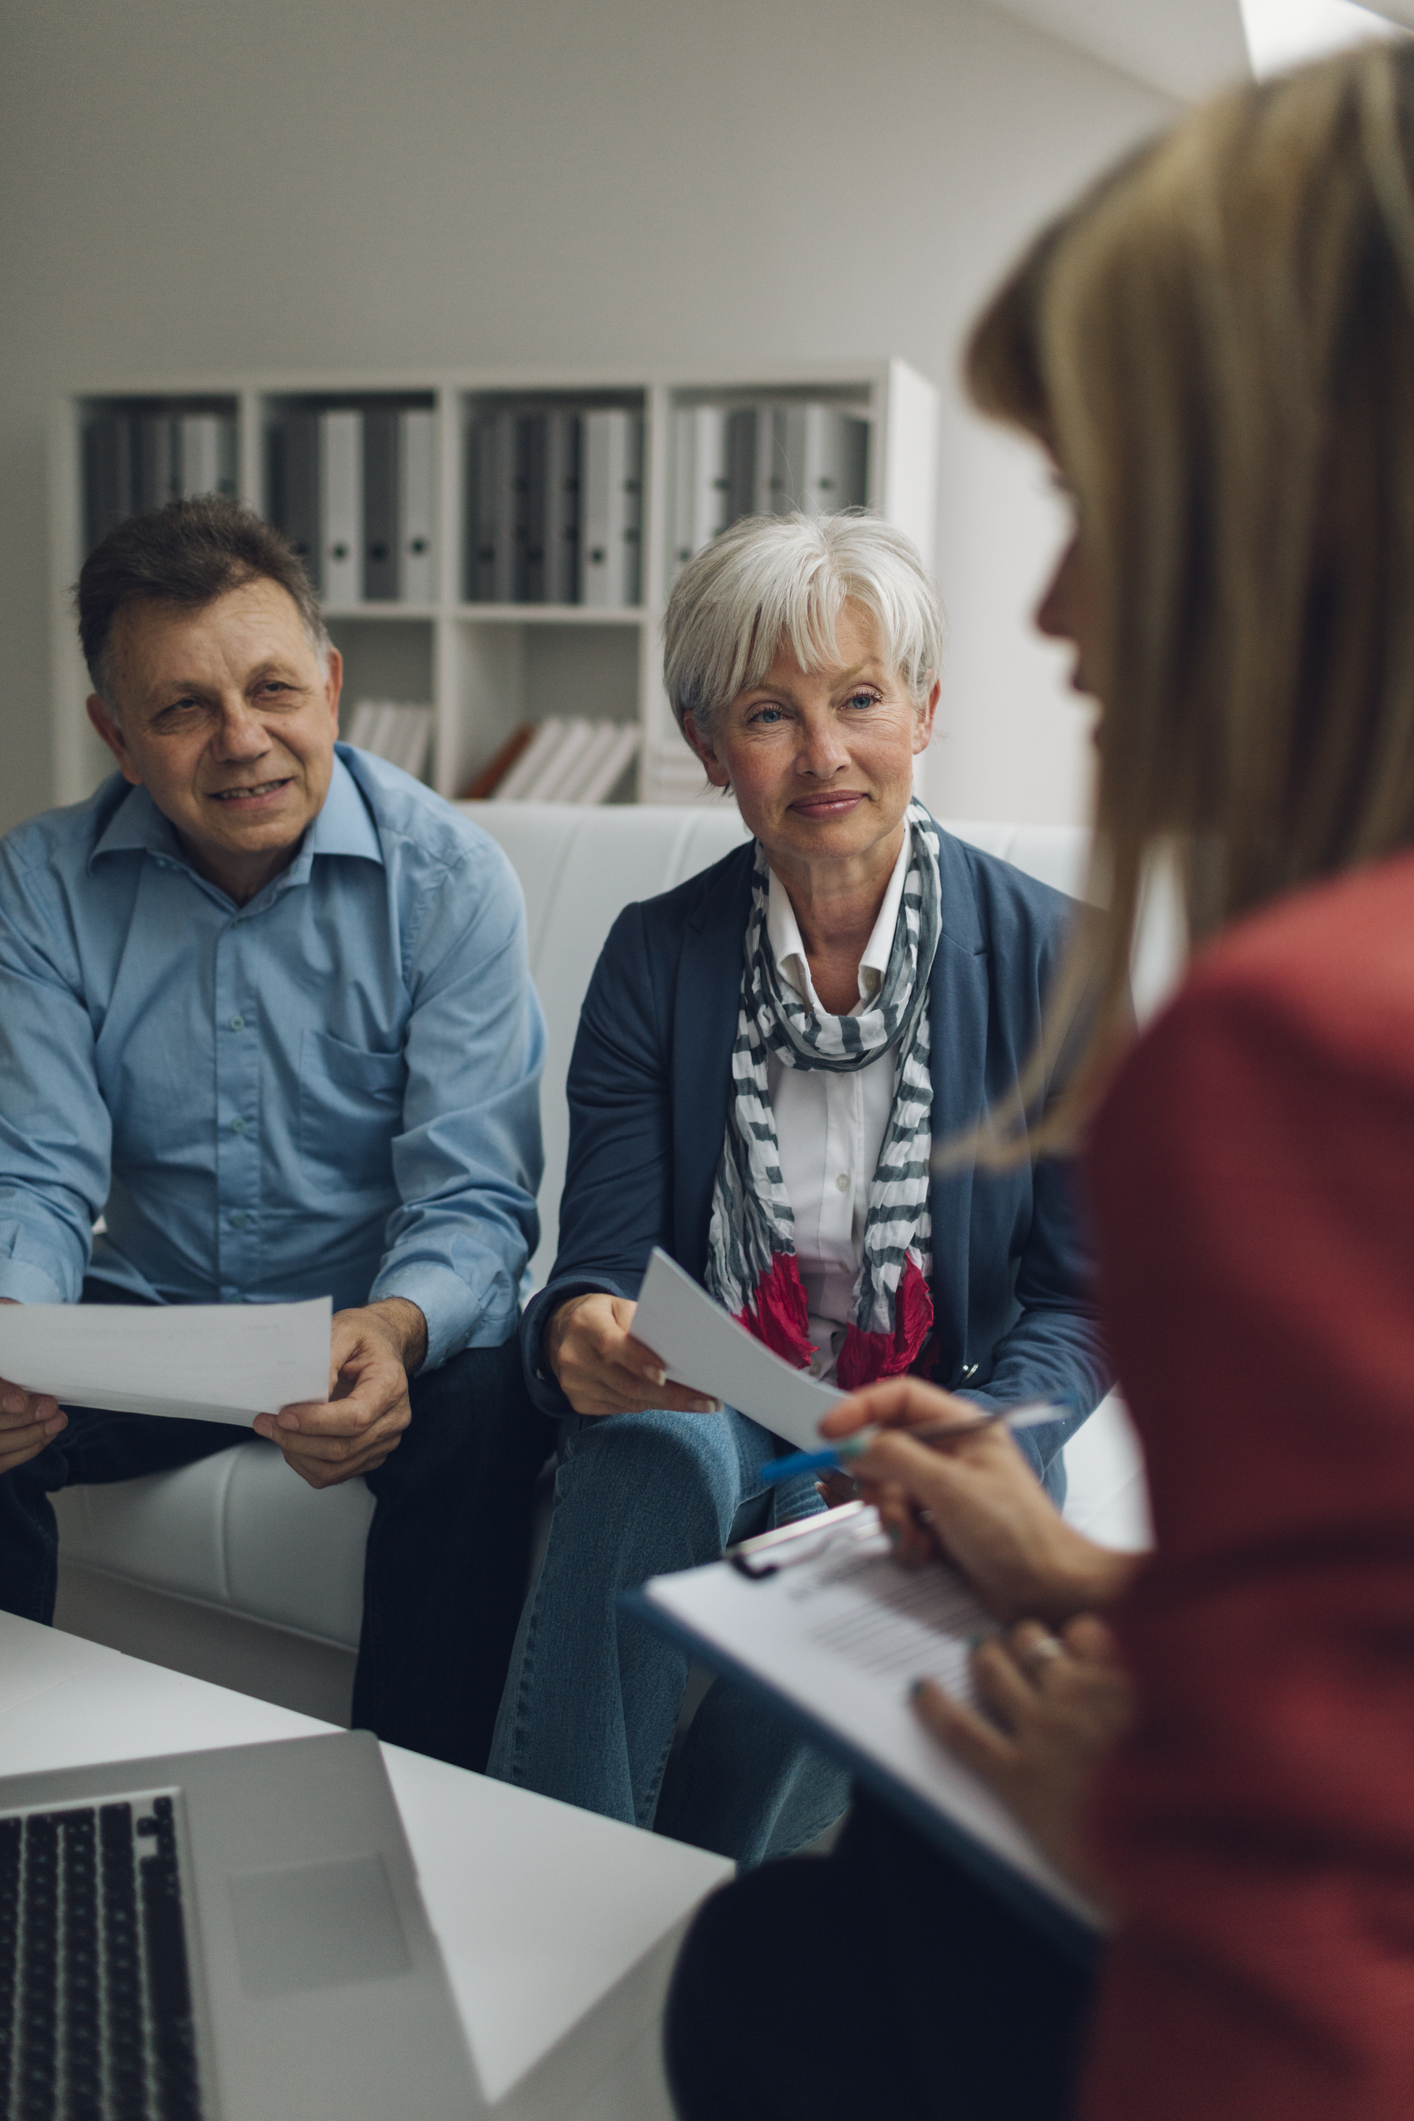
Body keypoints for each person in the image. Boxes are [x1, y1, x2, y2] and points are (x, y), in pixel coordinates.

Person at [665, 40, 1414, 2121]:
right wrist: (1092, 1579)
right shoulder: (666, 956)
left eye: (1095, 497)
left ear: (1307, 492)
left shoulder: (1292, 1039)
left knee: (787, 1960)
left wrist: (1161, 1835)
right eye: (764, 708)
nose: (1055, 606)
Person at [488, 510, 1111, 1866]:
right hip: (717, 1396)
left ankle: (706, 1903)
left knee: (910, 1535)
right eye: (770, 713)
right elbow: (595, 1263)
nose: (823, 754)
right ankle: (548, 1883)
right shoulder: (655, 954)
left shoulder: (1061, 961)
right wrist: (579, 1329)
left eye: (860, 700)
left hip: (933, 1405)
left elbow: (1079, 1300)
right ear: (711, 749)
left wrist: (986, 1434)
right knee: (645, 1447)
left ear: (924, 712)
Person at [0, 495, 553, 1773]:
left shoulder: (450, 880)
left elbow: (472, 1202)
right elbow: (35, 1172)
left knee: (479, 1405)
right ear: (117, 736)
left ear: (332, 686)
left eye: (272, 690)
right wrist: (16, 1341)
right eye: (184, 707)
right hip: (150, 1322)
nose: (243, 742)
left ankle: (416, 1810)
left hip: (364, 1325)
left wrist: (399, 1326)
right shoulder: (40, 884)